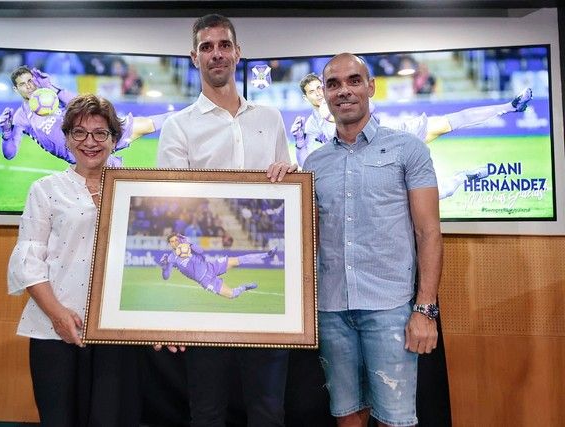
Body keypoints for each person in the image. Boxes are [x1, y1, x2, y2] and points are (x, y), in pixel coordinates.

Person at [157, 13, 295, 427]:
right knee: (207, 410)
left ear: (238, 53)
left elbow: (289, 195)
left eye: (223, 45)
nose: (216, 54)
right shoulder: (177, 126)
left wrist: (287, 180)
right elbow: (172, 208)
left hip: (267, 280)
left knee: (269, 409)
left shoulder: (269, 118)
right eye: (206, 47)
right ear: (194, 57)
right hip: (206, 283)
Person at [302, 53, 443, 427]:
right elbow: (307, 239)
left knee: (395, 420)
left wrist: (425, 310)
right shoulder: (313, 164)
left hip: (391, 309)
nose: (343, 91)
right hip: (331, 310)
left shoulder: (408, 150)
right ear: (325, 94)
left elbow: (428, 232)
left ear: (370, 87)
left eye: (352, 80)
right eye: (333, 84)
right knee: (346, 417)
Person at [7, 94, 143, 425]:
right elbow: (29, 259)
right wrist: (57, 316)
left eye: (100, 133)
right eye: (79, 133)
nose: (90, 142)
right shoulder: (45, 189)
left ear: (114, 139)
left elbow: (144, 259)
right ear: (67, 138)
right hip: (53, 328)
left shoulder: (133, 188)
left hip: (114, 331)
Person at [291, 73, 533, 199]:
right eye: (312, 92)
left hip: (395, 138)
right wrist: (300, 141)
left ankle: (510, 106)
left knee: (449, 121)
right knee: (429, 195)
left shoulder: (346, 102)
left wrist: (333, 116)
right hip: (375, 168)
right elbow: (308, 164)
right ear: (306, 98)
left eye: (321, 87)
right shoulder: (311, 125)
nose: (319, 94)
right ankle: (463, 177)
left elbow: (371, 111)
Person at [0, 65, 170, 166]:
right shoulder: (21, 117)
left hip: (100, 133)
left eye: (30, 81)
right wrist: (6, 134)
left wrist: (52, 88)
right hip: (84, 155)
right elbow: (10, 154)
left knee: (148, 124)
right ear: (16, 89)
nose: (29, 86)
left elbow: (82, 101)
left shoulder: (51, 94)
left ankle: (190, 115)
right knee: (116, 185)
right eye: (22, 84)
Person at [159, 233, 277, 298]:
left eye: (176, 240)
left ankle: (267, 255)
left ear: (179, 239)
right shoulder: (171, 258)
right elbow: (166, 276)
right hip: (205, 280)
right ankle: (244, 287)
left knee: (238, 260)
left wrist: (188, 243)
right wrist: (164, 268)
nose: (175, 242)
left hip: (211, 266)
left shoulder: (187, 245)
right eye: (172, 241)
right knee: (231, 295)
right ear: (169, 244)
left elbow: (200, 251)